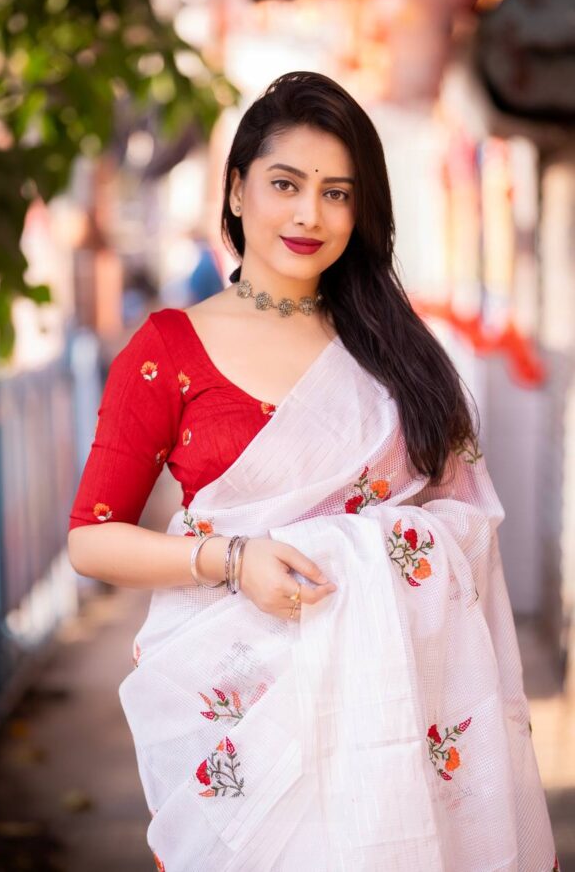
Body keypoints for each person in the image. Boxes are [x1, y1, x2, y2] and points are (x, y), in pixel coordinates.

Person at [67, 71, 558, 871]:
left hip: (398, 719)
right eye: (285, 184)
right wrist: (233, 559)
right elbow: (91, 541)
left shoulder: (397, 349)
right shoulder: (167, 350)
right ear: (235, 191)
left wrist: (378, 554)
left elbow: (468, 519)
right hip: (246, 735)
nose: (310, 214)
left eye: (337, 193)